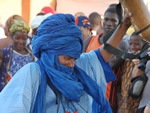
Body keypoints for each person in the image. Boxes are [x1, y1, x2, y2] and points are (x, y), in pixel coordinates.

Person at [0, 13, 131, 113]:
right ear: (51, 54)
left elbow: (104, 53)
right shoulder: (32, 73)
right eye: (67, 58)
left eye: (74, 58)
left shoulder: (79, 67)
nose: (72, 64)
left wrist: (123, 26)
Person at [0, 19, 35, 91]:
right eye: (17, 38)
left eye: (24, 39)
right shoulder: (6, 53)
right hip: (7, 91)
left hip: (24, 90)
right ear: (12, 38)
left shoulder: (30, 55)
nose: (21, 42)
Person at [117, 32, 147, 113]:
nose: (132, 47)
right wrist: (118, 95)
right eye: (130, 44)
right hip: (123, 103)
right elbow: (119, 80)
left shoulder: (145, 62)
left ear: (144, 45)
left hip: (136, 105)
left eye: (136, 44)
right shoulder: (126, 61)